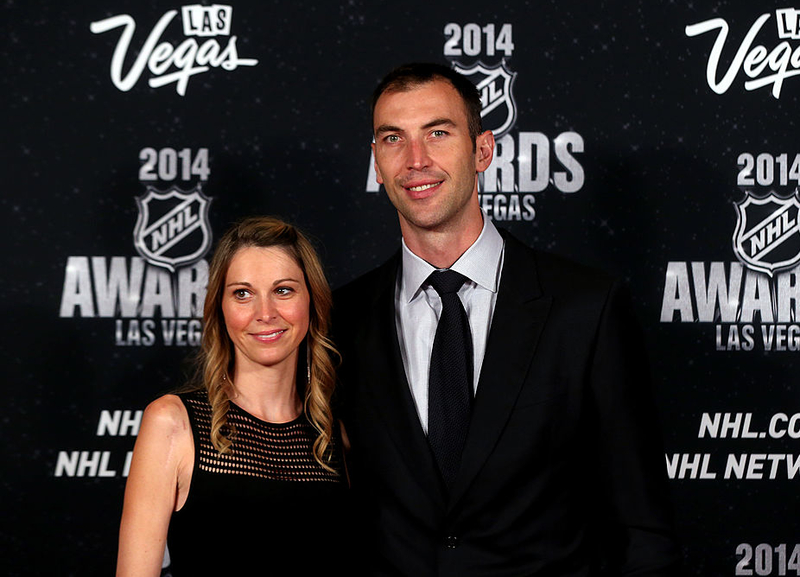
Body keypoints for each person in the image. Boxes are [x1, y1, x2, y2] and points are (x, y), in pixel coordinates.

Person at [334, 63, 681, 576]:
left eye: (437, 132)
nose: (416, 160)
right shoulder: (340, 318)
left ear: (482, 150)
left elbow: (641, 526)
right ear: (377, 163)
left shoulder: (585, 309)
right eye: (393, 139)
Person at [116, 216, 350, 576]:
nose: (265, 313)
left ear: (312, 301)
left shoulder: (333, 434)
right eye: (243, 294)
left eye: (283, 290)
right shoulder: (172, 422)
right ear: (220, 308)